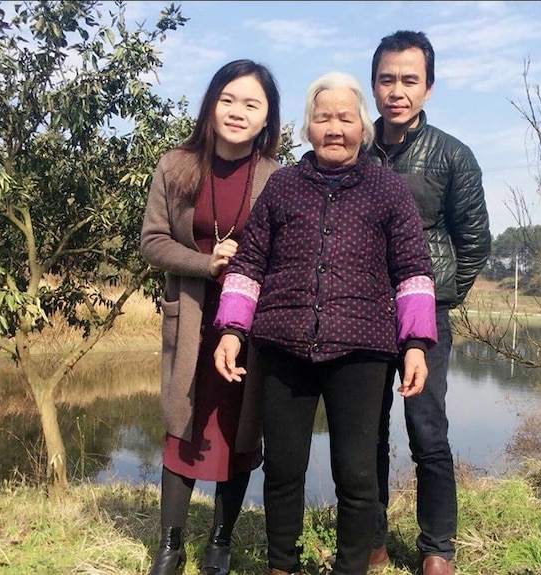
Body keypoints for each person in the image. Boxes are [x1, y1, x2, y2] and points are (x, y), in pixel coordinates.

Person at [212, 71, 438, 575]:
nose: (334, 127)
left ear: (363, 126)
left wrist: (416, 344)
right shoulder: (282, 185)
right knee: (284, 470)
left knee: (357, 474)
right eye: (323, 117)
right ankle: (281, 565)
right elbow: (250, 263)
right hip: (281, 345)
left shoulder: (387, 190)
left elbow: (413, 269)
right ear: (307, 128)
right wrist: (231, 330)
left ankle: (351, 566)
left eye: (345, 117)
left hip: (361, 351)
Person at [139, 59, 282, 575]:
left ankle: (220, 541)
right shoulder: (175, 165)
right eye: (228, 99)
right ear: (211, 103)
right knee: (183, 424)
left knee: (240, 432)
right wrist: (205, 261)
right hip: (192, 318)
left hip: (249, 326)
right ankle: (169, 546)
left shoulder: (275, 177)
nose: (237, 112)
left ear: (267, 118)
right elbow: (152, 242)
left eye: (251, 104)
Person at [367, 30, 492, 575]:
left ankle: (436, 547)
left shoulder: (453, 155)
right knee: (364, 430)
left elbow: (475, 241)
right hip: (363, 313)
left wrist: (444, 296)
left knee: (428, 429)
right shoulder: (355, 148)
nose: (398, 90)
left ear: (429, 87)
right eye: (388, 79)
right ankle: (368, 538)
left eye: (409, 80)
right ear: (373, 85)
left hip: (427, 318)